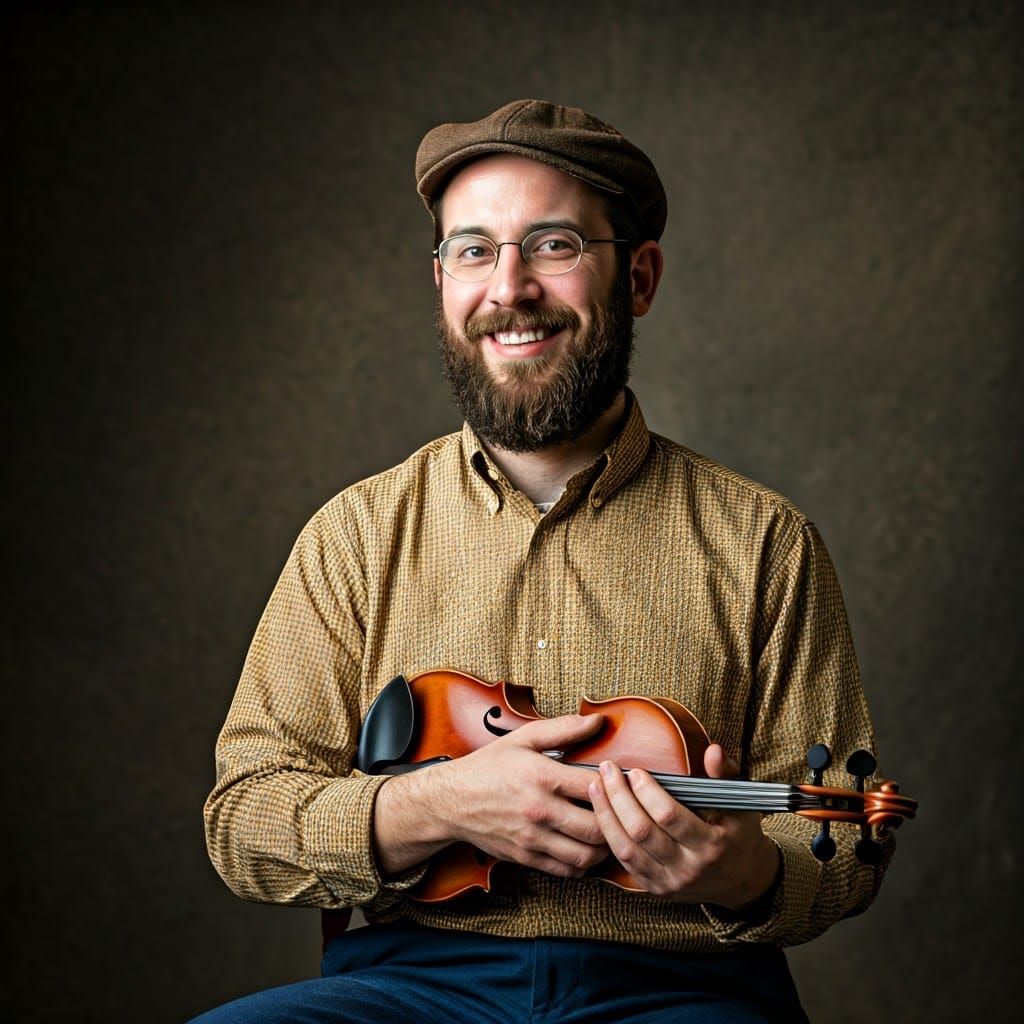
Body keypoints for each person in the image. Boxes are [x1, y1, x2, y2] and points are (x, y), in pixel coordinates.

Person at [194, 99, 893, 1023]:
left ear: (638, 277)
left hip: (681, 992)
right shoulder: (353, 538)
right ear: (440, 282)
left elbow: (840, 848)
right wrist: (437, 807)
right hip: (413, 988)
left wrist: (748, 870)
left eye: (554, 245)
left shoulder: (765, 542)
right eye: (474, 250)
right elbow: (244, 819)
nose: (509, 287)